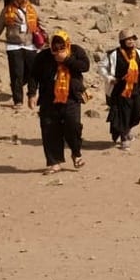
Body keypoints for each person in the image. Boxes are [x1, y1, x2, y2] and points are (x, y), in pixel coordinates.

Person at [31, 30, 89, 174]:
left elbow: (84, 66)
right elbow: (33, 75)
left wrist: (66, 59)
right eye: (54, 48)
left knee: (73, 126)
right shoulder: (43, 56)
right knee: (49, 129)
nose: (57, 51)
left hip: (71, 98)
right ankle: (54, 162)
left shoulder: (76, 51)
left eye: (61, 47)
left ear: (66, 44)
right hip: (49, 99)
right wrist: (32, 93)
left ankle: (76, 153)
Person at [0, 0, 43, 103]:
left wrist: (47, 42)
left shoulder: (33, 10)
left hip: (30, 45)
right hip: (14, 46)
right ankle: (18, 101)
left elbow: (41, 26)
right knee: (16, 73)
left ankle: (32, 94)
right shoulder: (7, 11)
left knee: (32, 72)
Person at [102, 29, 140, 151]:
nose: (131, 41)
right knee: (123, 114)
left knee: (138, 111)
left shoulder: (139, 53)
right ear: (122, 41)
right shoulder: (114, 54)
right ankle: (124, 138)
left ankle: (128, 129)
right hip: (120, 90)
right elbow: (101, 67)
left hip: (137, 88)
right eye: (128, 39)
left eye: (133, 39)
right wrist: (110, 78)